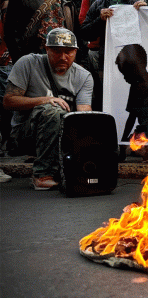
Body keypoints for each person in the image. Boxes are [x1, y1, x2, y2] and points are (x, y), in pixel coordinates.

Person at [3, 28, 93, 190]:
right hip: (25, 136)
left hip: (61, 134)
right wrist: (45, 100)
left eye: (68, 52)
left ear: (76, 51)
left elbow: (83, 114)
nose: (63, 57)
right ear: (46, 49)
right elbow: (9, 101)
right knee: (53, 109)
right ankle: (42, 174)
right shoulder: (28, 63)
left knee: (86, 122)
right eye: (57, 51)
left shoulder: (83, 76)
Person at [80, 0, 146, 110]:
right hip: (108, 63)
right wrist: (100, 20)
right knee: (106, 98)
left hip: (135, 63)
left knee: (133, 99)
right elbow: (85, 34)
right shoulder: (98, 6)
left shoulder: (138, 5)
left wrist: (147, 13)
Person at [78, 0, 138, 72]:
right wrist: (100, 20)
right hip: (99, 54)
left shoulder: (135, 1)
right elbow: (83, 28)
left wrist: (145, 11)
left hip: (129, 57)